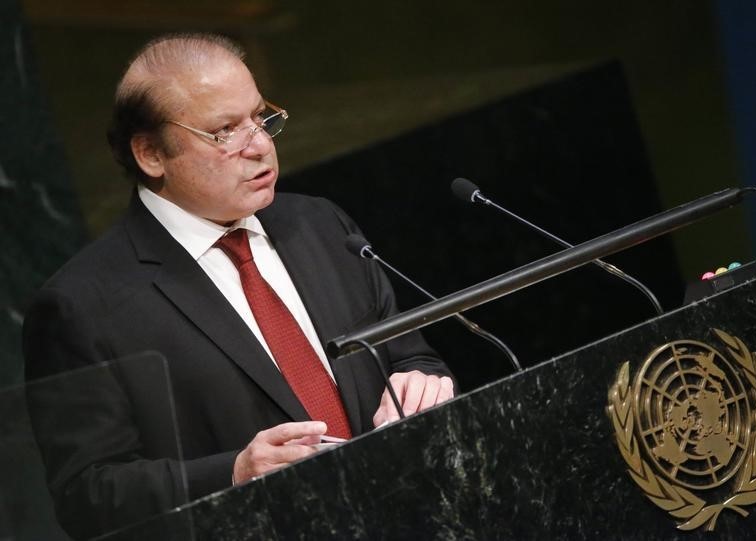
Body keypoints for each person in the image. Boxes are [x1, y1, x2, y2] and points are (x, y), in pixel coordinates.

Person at [23, 33, 454, 538]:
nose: (260, 145)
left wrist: (422, 384)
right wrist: (234, 473)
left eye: (260, 117)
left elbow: (410, 356)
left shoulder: (320, 224)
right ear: (150, 154)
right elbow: (87, 496)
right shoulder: (82, 305)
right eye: (225, 131)